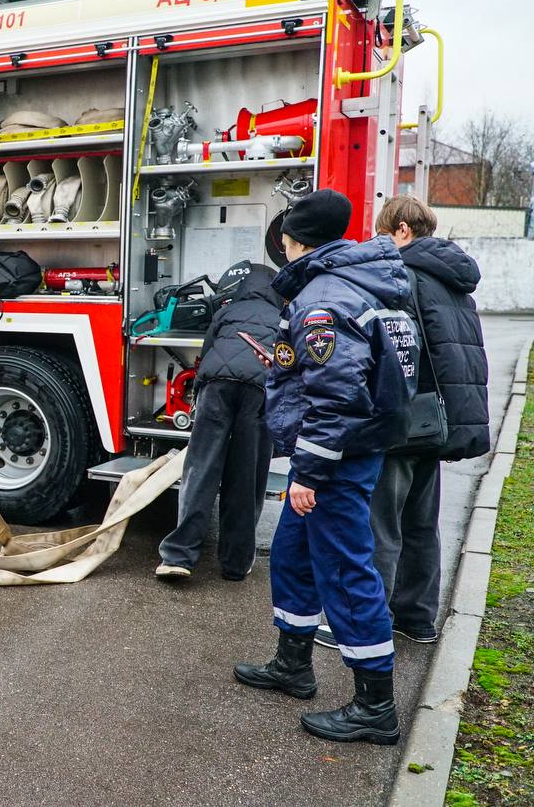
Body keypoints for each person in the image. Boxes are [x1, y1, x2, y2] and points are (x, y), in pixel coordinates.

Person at [233, 189, 417, 745]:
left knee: (343, 568)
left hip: (336, 456)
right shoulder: (351, 284)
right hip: (340, 447)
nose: (282, 252)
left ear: (296, 242)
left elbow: (338, 396)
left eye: (284, 242)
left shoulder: (325, 298)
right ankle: (293, 663)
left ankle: (374, 706)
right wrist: (285, 367)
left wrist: (310, 474)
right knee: (292, 551)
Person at [314, 196, 489, 650]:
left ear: (404, 231)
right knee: (419, 523)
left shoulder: (403, 275)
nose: (378, 242)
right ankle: (417, 618)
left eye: (383, 233)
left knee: (380, 526)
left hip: (405, 419)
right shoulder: (454, 280)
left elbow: (394, 351)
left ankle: (361, 620)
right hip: (440, 420)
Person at [155, 262, 282, 581]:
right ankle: (235, 564)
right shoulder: (283, 318)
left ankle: (178, 557)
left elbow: (207, 352)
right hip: (257, 391)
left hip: (217, 388)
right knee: (245, 477)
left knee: (201, 470)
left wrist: (199, 393)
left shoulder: (228, 311)